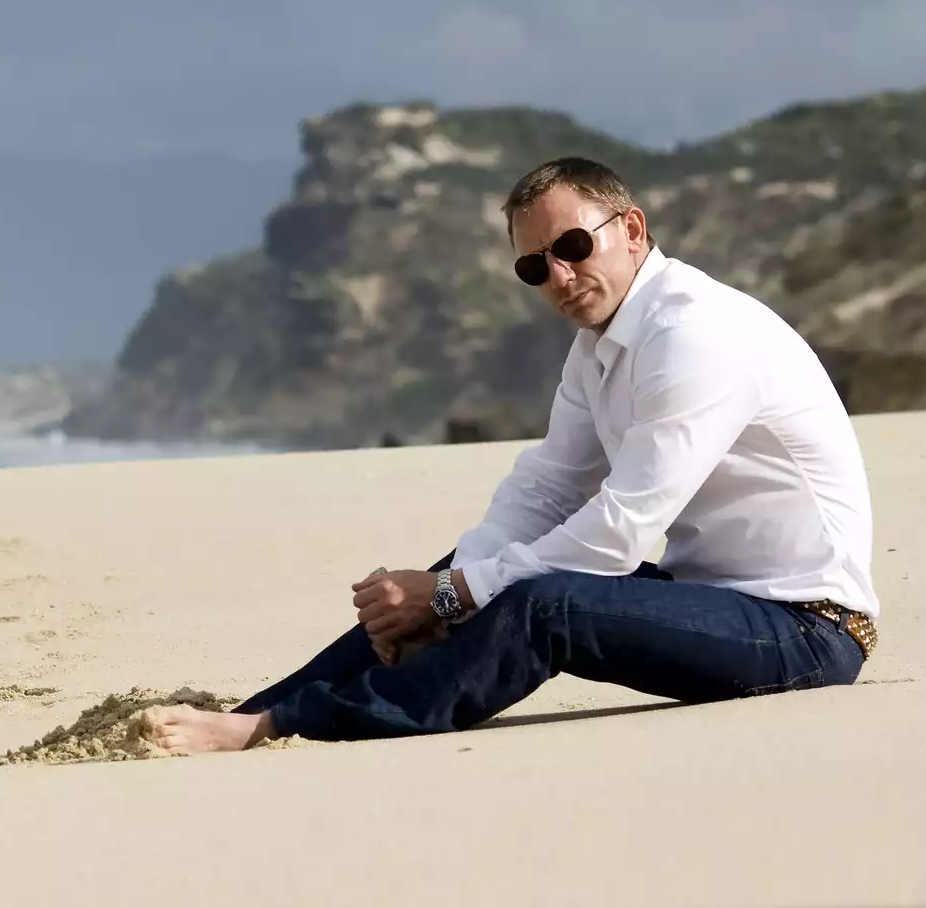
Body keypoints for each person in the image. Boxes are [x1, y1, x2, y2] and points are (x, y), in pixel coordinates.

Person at [143, 157, 880, 755]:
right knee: (477, 568)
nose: (559, 277)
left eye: (573, 248)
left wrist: (453, 597)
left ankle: (292, 725)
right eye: (535, 266)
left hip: (807, 629)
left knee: (540, 603)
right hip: (716, 600)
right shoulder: (599, 347)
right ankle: (258, 712)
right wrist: (447, 592)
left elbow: (622, 531)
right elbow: (546, 490)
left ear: (631, 229)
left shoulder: (696, 335)